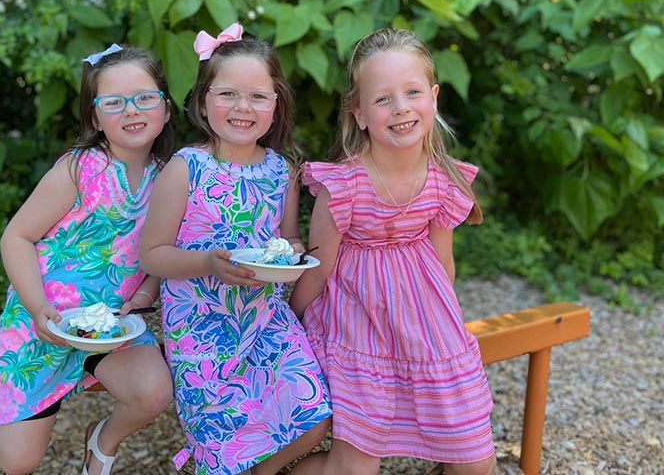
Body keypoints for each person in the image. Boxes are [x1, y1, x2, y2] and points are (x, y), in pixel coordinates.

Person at [289, 28, 496, 475]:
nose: (400, 107)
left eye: (412, 92)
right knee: (356, 466)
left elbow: (443, 265)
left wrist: (446, 335)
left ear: (434, 98)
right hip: (356, 322)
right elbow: (318, 271)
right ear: (359, 113)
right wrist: (290, 325)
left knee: (476, 462)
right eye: (383, 99)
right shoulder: (343, 186)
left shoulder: (443, 180)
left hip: (425, 322)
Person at [139, 23, 332, 475]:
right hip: (202, 331)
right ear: (204, 100)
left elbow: (290, 239)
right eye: (227, 94)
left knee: (314, 415)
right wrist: (207, 262)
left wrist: (293, 258)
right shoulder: (186, 169)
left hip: (267, 319)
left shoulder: (282, 171)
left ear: (276, 103)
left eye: (258, 96)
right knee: (223, 445)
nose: (243, 107)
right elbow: (152, 254)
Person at [0, 44, 175, 475]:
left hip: (110, 326)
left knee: (152, 392)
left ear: (165, 108)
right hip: (47, 320)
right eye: (114, 102)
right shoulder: (80, 169)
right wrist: (37, 310)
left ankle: (102, 441)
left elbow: (156, 254)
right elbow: (16, 236)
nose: (132, 110)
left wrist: (144, 294)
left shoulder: (169, 176)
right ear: (95, 117)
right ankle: (5, 406)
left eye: (145, 98)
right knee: (17, 464)